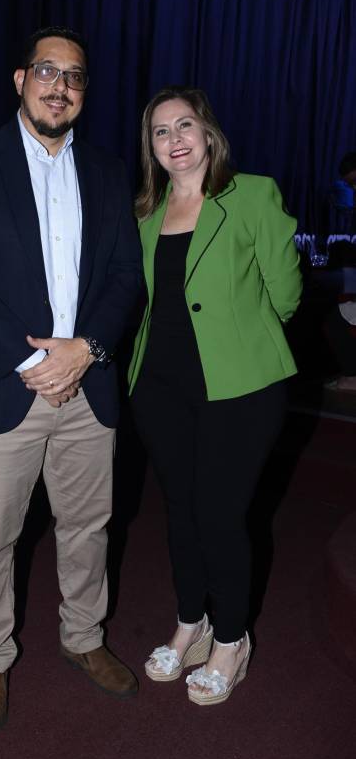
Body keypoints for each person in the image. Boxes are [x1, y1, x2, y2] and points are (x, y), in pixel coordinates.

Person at [0, 27, 143, 730]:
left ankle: (83, 638)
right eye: (47, 71)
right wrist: (33, 362)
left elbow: (123, 279)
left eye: (74, 77)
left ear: (83, 92)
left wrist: (86, 348)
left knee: (88, 526)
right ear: (19, 79)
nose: (60, 86)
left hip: (87, 386)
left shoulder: (109, 173)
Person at [128, 86, 302, 705]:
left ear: (208, 134)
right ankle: (189, 621)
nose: (174, 139)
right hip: (161, 386)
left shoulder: (253, 194)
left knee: (221, 513)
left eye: (185, 126)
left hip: (240, 386)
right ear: (150, 146)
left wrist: (242, 327)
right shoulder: (146, 212)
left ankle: (231, 637)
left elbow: (285, 296)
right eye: (159, 131)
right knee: (180, 509)